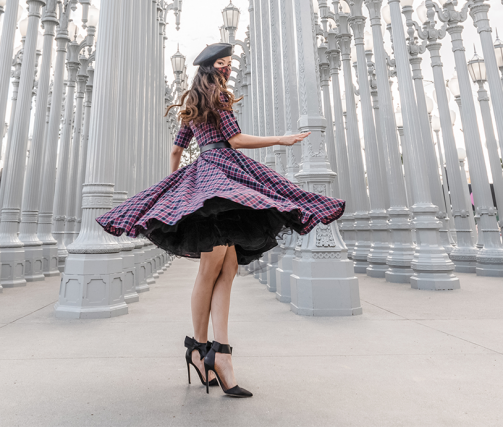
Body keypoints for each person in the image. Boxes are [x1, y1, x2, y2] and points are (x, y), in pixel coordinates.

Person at [97, 42, 345, 398]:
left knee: (226, 266)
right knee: (213, 267)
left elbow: (176, 150)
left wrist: (177, 190)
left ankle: (212, 352)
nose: (228, 70)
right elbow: (235, 139)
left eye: (230, 65)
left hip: (206, 179)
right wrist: (281, 139)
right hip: (223, 176)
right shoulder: (219, 98)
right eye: (225, 65)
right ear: (212, 68)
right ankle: (208, 352)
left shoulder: (192, 103)